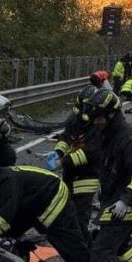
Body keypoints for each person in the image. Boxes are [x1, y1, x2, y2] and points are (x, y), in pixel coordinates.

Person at [79, 89, 132, 262]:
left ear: (111, 114)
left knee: (101, 251)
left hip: (126, 206)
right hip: (113, 200)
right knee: (119, 247)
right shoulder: (107, 133)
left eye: (99, 119)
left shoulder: (128, 139)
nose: (96, 122)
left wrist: (125, 200)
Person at [47, 84, 102, 237]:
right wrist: (58, 152)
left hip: (87, 178)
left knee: (80, 216)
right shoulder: (76, 120)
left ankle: (82, 248)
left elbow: (89, 153)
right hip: (70, 175)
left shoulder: (99, 126)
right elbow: (66, 137)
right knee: (66, 210)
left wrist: (62, 162)